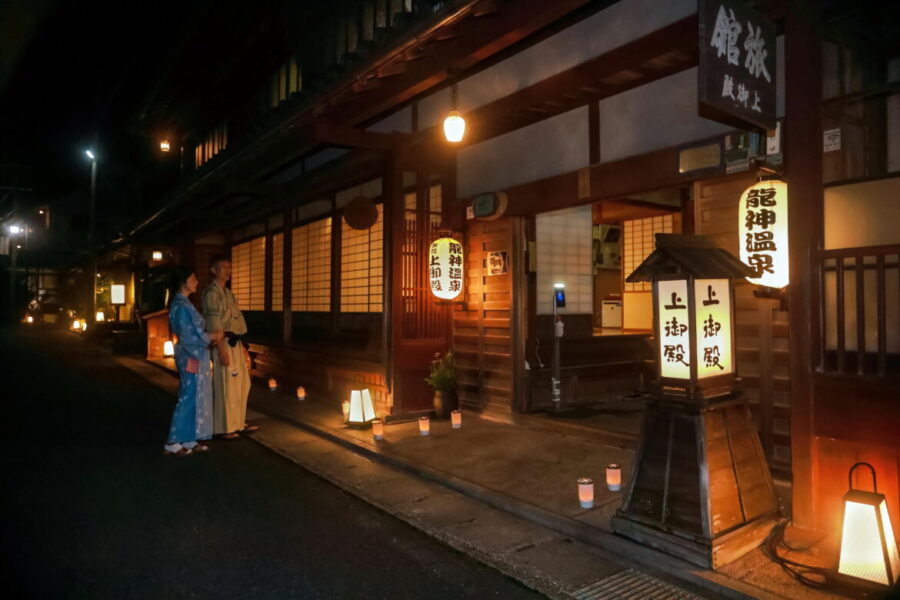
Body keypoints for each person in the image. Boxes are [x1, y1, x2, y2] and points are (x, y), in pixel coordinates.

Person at [164, 267, 220, 456]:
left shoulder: (183, 303)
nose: (197, 282)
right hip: (190, 355)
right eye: (193, 279)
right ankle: (173, 441)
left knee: (195, 395)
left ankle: (188, 437)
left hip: (193, 354)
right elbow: (187, 335)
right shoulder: (181, 305)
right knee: (188, 396)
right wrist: (210, 336)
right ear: (184, 282)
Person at [202, 254, 256, 439]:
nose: (228, 270)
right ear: (213, 270)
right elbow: (213, 322)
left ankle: (238, 422)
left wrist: (242, 346)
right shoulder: (211, 294)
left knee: (241, 383)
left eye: (229, 267)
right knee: (226, 384)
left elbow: (237, 320)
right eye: (224, 267)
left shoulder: (228, 293)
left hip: (235, 341)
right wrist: (221, 349)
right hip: (223, 342)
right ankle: (225, 427)